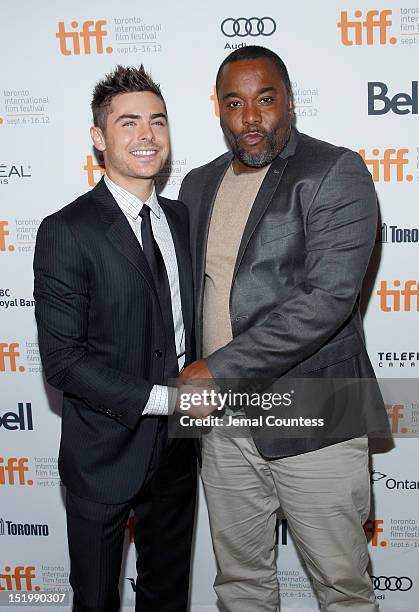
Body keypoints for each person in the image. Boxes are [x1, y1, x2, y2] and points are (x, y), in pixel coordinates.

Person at [179, 46, 389, 611]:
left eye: (265, 99)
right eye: (235, 103)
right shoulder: (198, 186)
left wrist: (216, 372)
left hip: (314, 414)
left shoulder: (334, 171)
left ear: (290, 102)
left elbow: (328, 299)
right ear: (218, 111)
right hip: (222, 427)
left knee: (341, 588)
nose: (251, 117)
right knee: (241, 585)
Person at [33, 65, 200, 612]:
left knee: (167, 595)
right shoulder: (67, 230)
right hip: (103, 452)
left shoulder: (181, 219)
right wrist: (165, 399)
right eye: (128, 123)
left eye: (157, 121)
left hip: (178, 449)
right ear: (99, 138)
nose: (146, 136)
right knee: (97, 601)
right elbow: (63, 363)